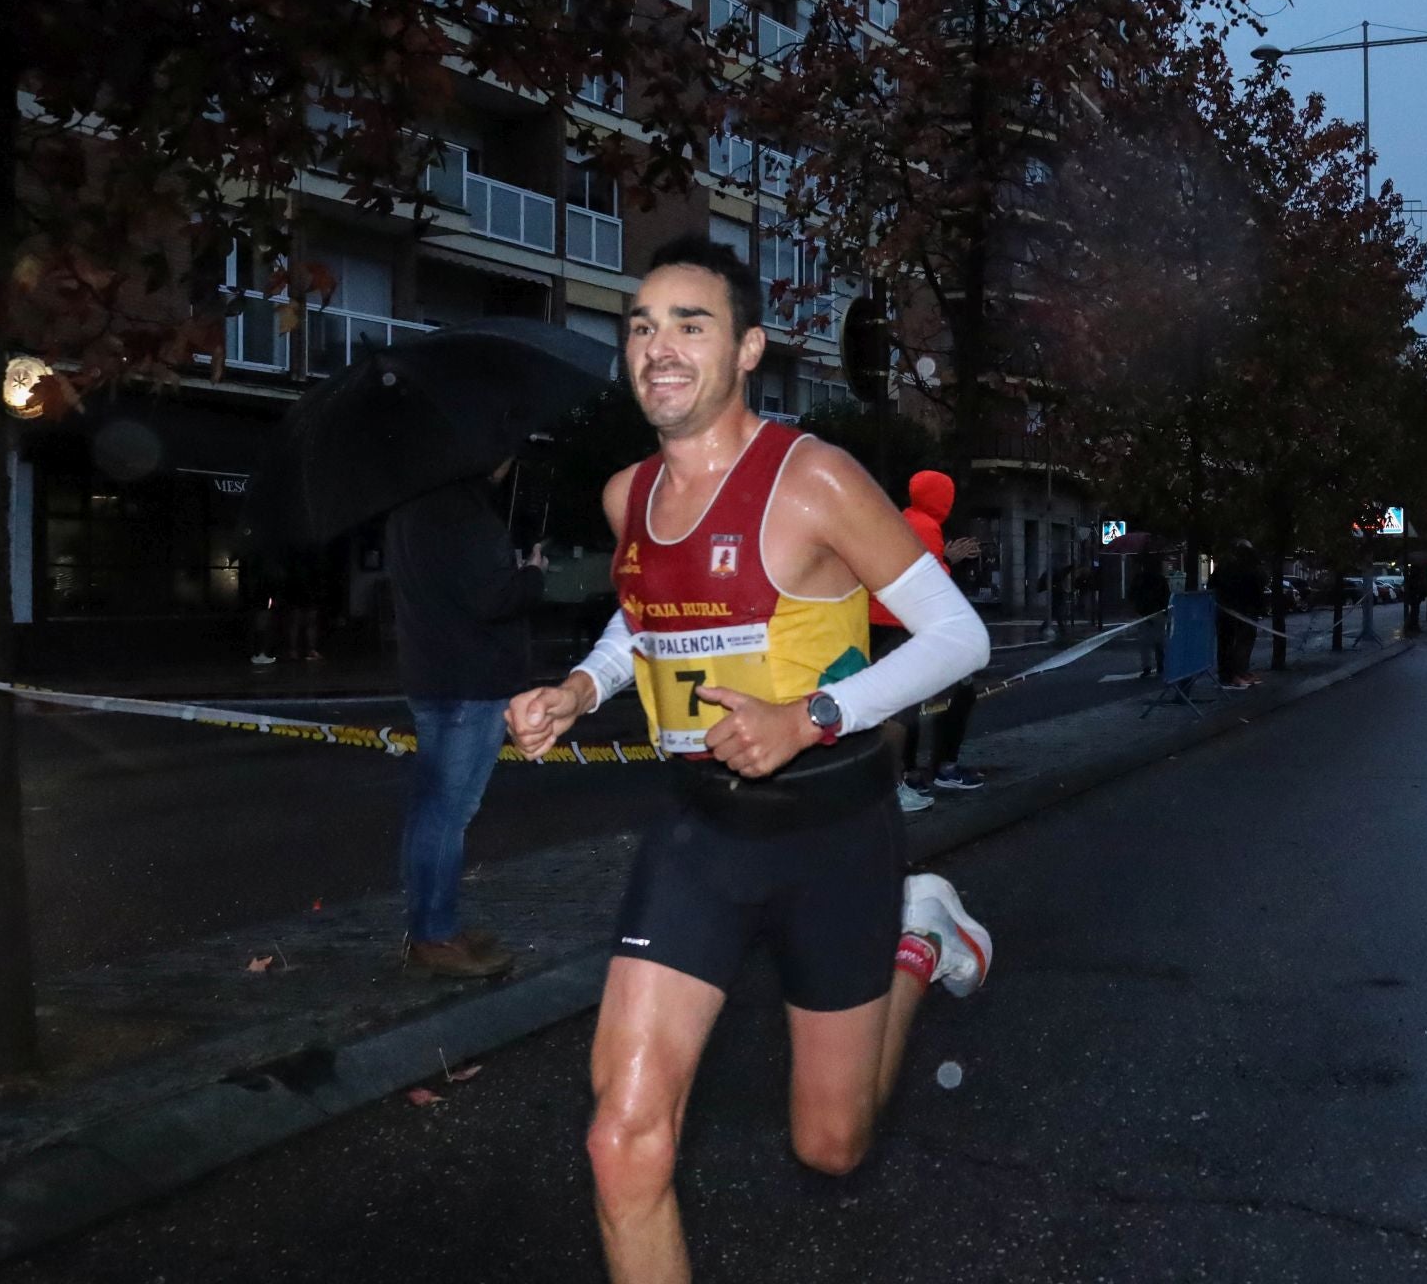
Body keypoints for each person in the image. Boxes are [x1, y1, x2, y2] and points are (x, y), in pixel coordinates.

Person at [504, 237, 992, 1284]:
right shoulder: (626, 496)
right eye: (640, 326)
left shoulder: (814, 481)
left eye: (691, 324)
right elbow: (644, 627)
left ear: (747, 349)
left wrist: (811, 716)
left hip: (835, 830)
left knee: (832, 1144)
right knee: (620, 1136)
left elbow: (960, 638)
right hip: (699, 831)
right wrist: (581, 690)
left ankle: (920, 936)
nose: (659, 348)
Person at [385, 458, 546, 978]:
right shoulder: (467, 516)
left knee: (431, 811)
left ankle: (432, 926)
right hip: (471, 681)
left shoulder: (409, 508)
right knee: (448, 814)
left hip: (431, 675)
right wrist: (532, 576)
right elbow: (493, 598)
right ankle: (435, 936)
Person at [869, 470, 983, 809]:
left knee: (908, 706)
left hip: (885, 622)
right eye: (947, 495)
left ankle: (908, 775)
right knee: (920, 705)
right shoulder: (925, 527)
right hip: (902, 625)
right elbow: (931, 583)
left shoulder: (906, 520)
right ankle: (909, 780)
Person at [1207, 540, 1264, 688]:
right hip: (1238, 611)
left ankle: (1237, 673)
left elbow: (1211, 584)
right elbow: (1256, 587)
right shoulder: (1244, 567)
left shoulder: (1228, 566)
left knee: (1232, 644)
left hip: (1231, 611)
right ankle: (1234, 675)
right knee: (1236, 644)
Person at [1132, 556, 1171, 679]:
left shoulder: (1139, 579)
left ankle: (1147, 667)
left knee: (1145, 643)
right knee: (1159, 641)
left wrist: (1138, 609)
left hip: (1144, 614)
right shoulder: (1161, 579)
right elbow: (1166, 596)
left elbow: (1132, 594)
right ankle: (1160, 664)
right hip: (1158, 612)